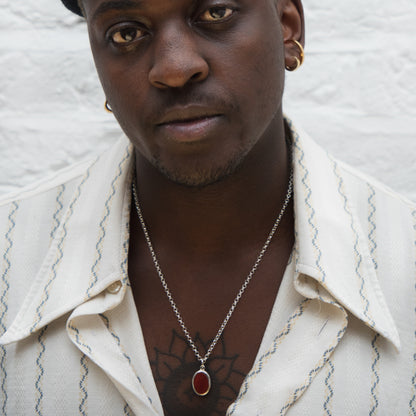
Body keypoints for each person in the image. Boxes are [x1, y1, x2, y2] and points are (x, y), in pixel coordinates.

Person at [0, 0, 414, 415]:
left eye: (217, 13)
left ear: (288, 27)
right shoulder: (9, 256)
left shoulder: (404, 261)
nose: (175, 68)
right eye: (126, 33)